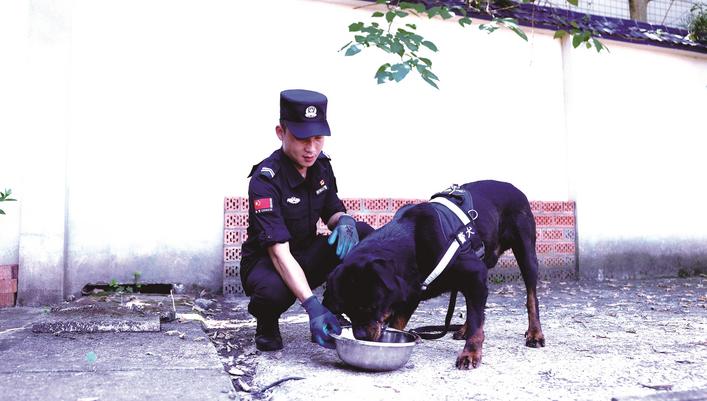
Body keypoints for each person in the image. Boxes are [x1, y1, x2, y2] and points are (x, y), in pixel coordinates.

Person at [240, 89, 374, 351]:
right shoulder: (265, 180)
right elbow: (279, 254)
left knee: (364, 234)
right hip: (268, 262)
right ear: (281, 132)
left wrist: (344, 221)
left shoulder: (321, 165)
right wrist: (311, 307)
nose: (311, 148)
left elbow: (333, 211)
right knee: (271, 292)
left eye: (318, 138)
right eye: (302, 139)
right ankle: (266, 322)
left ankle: (337, 308)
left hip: (305, 251)